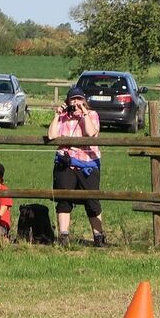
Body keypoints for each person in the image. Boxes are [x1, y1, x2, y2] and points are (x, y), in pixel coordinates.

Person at [48, 85, 106, 247]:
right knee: (64, 200)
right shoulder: (63, 117)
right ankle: (64, 236)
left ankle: (99, 237)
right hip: (65, 163)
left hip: (88, 163)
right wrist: (57, 115)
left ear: (84, 101)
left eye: (79, 99)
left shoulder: (92, 114)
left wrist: (84, 113)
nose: (76, 103)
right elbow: (52, 135)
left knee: (92, 202)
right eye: (73, 100)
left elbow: (90, 133)